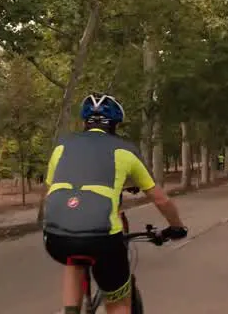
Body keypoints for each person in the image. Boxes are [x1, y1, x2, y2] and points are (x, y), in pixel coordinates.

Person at [42, 93, 188, 314]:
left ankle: (69, 310)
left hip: (55, 238)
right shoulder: (125, 150)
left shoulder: (62, 146)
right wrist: (177, 227)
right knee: (119, 301)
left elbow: (51, 192)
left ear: (85, 122)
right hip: (102, 240)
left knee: (74, 253)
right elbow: (160, 199)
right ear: (115, 124)